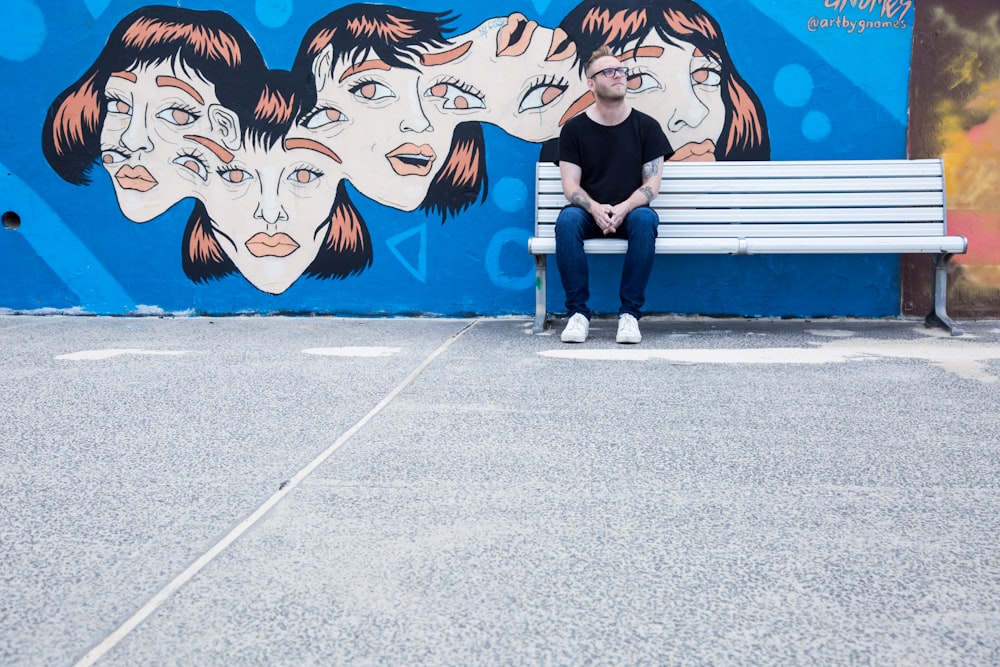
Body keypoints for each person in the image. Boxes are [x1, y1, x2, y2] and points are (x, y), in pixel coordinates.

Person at [555, 46, 673, 344]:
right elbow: (571, 186)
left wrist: (623, 208)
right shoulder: (574, 130)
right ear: (591, 83)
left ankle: (629, 315)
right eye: (608, 71)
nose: (618, 75)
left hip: (630, 213)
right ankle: (578, 314)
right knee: (567, 220)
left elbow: (651, 186)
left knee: (645, 218)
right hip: (590, 214)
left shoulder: (646, 127)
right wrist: (595, 208)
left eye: (621, 70)